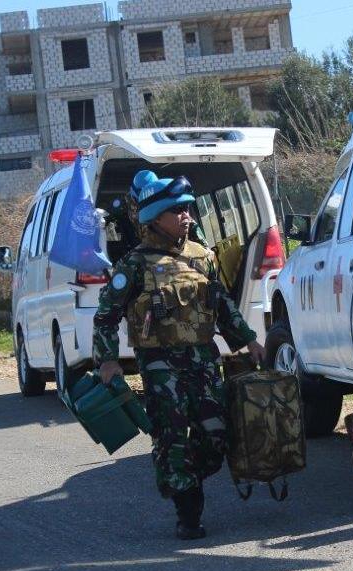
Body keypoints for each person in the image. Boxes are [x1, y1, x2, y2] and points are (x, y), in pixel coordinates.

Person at [93, 174, 266, 540]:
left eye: (188, 209)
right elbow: (106, 315)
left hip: (204, 360)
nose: (187, 216)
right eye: (177, 211)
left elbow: (222, 305)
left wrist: (249, 340)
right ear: (155, 217)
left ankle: (182, 478)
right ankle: (188, 511)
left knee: (217, 435)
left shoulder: (203, 257)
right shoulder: (134, 265)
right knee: (172, 436)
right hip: (161, 365)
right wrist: (107, 361)